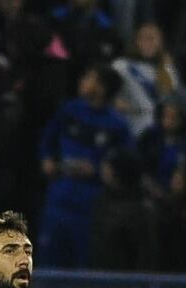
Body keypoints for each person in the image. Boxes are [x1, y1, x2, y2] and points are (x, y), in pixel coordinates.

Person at [37, 62, 130, 268]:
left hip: (92, 203)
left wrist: (96, 170)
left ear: (103, 88)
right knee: (48, 262)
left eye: (90, 78)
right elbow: (48, 141)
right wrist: (48, 160)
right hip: (59, 196)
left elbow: (124, 164)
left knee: (84, 264)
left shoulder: (117, 125)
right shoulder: (69, 110)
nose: (83, 82)